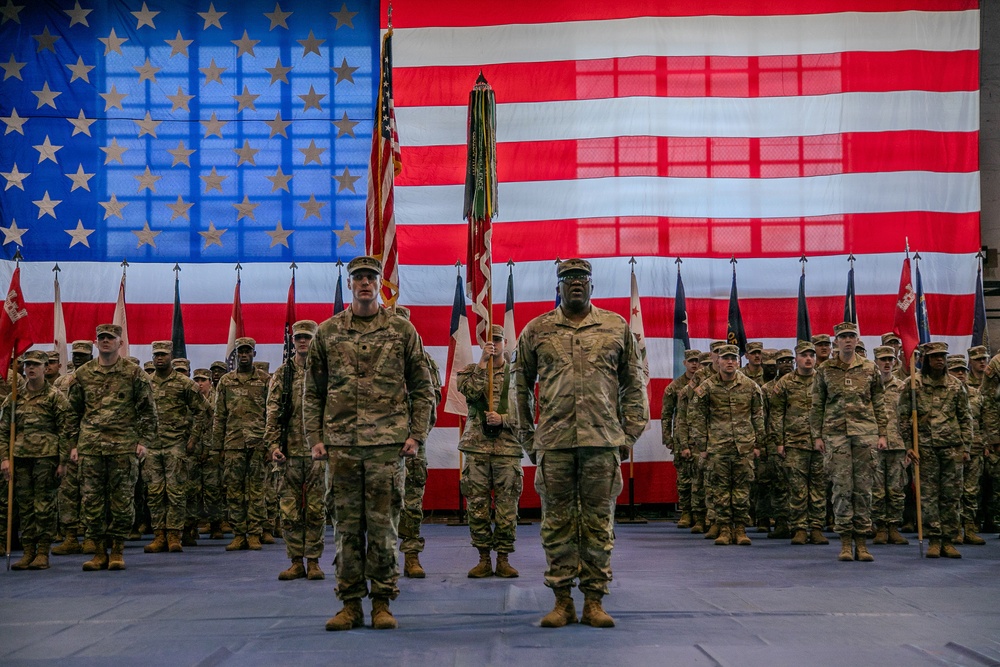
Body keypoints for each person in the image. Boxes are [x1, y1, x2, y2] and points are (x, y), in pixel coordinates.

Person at [515, 258, 648, 629]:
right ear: (557, 287)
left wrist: (628, 434)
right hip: (555, 443)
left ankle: (593, 600)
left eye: (582, 278)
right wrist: (530, 439)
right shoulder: (537, 330)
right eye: (568, 278)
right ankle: (561, 601)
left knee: (598, 523)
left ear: (593, 286)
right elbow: (519, 387)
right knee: (556, 523)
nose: (576, 283)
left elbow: (635, 383)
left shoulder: (615, 326)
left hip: (602, 442)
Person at [304, 256, 434, 631]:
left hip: (386, 446)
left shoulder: (401, 330)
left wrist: (416, 434)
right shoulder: (328, 333)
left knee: (383, 528)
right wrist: (315, 438)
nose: (365, 283)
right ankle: (349, 604)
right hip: (341, 447)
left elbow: (423, 388)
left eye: (371, 278)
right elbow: (312, 391)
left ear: (380, 284)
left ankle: (382, 602)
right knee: (345, 528)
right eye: (358, 277)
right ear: (350, 284)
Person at [67, 324, 158, 571]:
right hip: (91, 449)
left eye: (111, 338)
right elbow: (72, 413)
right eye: (101, 338)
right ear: (96, 343)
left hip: (123, 449)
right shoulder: (83, 374)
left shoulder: (134, 373)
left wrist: (143, 442)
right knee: (91, 503)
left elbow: (149, 412)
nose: (105, 341)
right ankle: (98, 551)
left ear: (120, 343)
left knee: (122, 503)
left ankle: (117, 550)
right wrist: (73, 445)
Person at [810, 322, 887, 563]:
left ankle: (862, 543)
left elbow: (879, 402)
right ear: (836, 341)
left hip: (865, 434)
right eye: (843, 337)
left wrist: (882, 434)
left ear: (857, 340)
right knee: (842, 488)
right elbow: (817, 405)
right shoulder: (825, 370)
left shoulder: (869, 368)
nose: (847, 341)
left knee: (863, 489)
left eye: (851, 336)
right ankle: (845, 542)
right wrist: (817, 436)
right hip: (835, 436)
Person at [458, 324, 524, 578]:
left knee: (507, 506)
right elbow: (471, 393)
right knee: (477, 504)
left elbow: (528, 413)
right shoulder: (469, 373)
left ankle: (504, 558)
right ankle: (483, 557)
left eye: (497, 340)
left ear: (505, 343)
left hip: (507, 449)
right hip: (476, 449)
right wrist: (483, 362)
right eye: (489, 340)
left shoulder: (517, 376)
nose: (493, 344)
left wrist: (504, 419)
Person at [1, 350, 76, 570]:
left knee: (44, 506)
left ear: (45, 367)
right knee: (25, 506)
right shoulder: (14, 396)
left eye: (35, 365)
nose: (30, 369)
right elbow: (4, 430)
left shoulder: (55, 396)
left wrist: (62, 462)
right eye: (27, 365)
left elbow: (65, 430)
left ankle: (43, 551)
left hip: (46, 458)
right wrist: (4, 458)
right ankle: (28, 552)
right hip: (21, 458)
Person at [267, 320, 329, 582]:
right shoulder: (283, 374)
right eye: (298, 338)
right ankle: (295, 561)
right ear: (292, 342)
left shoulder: (325, 371)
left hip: (318, 452)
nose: (302, 342)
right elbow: (272, 412)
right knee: (289, 511)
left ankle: (313, 560)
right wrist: (272, 445)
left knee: (316, 509)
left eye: (307, 337)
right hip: (289, 452)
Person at [898, 343, 972, 558]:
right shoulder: (913, 385)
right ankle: (934, 538)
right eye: (934, 356)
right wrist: (908, 446)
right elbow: (903, 418)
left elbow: (965, 418)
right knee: (928, 496)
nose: (939, 360)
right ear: (926, 360)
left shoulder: (956, 386)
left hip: (951, 447)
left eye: (942, 356)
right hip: (925, 448)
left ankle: (949, 539)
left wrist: (966, 447)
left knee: (951, 495)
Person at [689, 344, 764, 547]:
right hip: (717, 447)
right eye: (726, 358)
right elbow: (696, 417)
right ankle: (723, 529)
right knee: (720, 490)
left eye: (733, 358)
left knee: (742, 490)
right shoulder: (707, 387)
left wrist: (759, 444)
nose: (730, 362)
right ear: (718, 361)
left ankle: (739, 529)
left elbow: (758, 416)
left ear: (738, 362)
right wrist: (702, 446)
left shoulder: (750, 386)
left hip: (744, 447)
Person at [144, 341, 207, 554]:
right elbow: (135, 411)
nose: (159, 358)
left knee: (176, 492)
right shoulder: (145, 383)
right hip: (151, 446)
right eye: (156, 355)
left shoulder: (184, 383)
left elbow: (203, 411)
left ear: (171, 355)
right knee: (154, 493)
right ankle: (159, 535)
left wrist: (193, 439)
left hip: (176, 446)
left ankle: (174, 535)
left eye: (163, 354)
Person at [213, 337, 271, 551]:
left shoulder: (265, 380)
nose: (244, 355)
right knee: (234, 491)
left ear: (254, 354)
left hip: (257, 444)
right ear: (236, 355)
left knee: (257, 490)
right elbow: (219, 416)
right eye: (241, 351)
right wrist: (217, 447)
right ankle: (239, 533)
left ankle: (255, 533)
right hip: (233, 444)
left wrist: (269, 445)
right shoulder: (226, 382)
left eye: (248, 351)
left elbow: (271, 414)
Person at [768, 342, 828, 545]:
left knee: (819, 487)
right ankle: (800, 528)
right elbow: (776, 413)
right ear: (797, 359)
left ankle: (817, 527)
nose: (809, 358)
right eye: (804, 355)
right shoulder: (785, 383)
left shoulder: (823, 379)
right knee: (797, 488)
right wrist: (779, 441)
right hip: (794, 443)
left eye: (811, 355)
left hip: (820, 443)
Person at [51, 340, 94, 556]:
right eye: (75, 354)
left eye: (83, 355)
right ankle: (70, 536)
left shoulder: (94, 377)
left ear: (91, 356)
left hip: (90, 442)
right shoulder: (61, 382)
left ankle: (89, 536)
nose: (78, 358)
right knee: (66, 492)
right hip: (66, 441)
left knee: (89, 491)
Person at [946, 355, 987, 546]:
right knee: (953, 491)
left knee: (971, 491)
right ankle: (953, 529)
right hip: (952, 448)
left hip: (975, 448)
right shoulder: (945, 393)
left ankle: (969, 527)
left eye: (963, 370)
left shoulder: (976, 394)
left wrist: (986, 443)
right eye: (956, 370)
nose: (960, 374)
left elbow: (986, 421)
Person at [871, 346, 910, 546]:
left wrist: (910, 446)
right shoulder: (869, 386)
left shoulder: (902, 387)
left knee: (896, 489)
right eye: (883, 359)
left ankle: (893, 526)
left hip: (898, 445)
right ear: (876, 361)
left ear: (895, 362)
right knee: (876, 489)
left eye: (890, 359)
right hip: (874, 445)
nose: (887, 363)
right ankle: (880, 527)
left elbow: (908, 418)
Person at [661, 349, 703, 529]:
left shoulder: (707, 384)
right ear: (684, 363)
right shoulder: (675, 387)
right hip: (682, 437)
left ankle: (703, 514)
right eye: (691, 361)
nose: (695, 364)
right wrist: (667, 437)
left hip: (701, 437)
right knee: (685, 477)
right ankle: (686, 512)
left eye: (697, 361)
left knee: (702, 477)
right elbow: (666, 414)